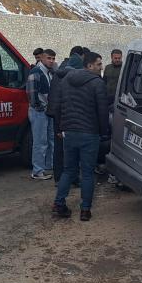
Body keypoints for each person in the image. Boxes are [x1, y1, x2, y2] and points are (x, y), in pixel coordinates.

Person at [52, 51, 109, 222]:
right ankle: (85, 210)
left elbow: (59, 105)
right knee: (88, 173)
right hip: (89, 133)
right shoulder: (97, 83)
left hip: (69, 132)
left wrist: (61, 127)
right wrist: (104, 132)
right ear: (89, 65)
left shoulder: (66, 80)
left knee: (68, 170)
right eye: (99, 64)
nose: (101, 67)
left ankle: (59, 203)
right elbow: (102, 111)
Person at [47, 51, 83, 184]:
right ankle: (67, 178)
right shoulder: (71, 78)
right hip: (67, 118)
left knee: (60, 149)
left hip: (59, 117)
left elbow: (54, 99)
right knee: (69, 149)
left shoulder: (59, 75)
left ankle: (60, 178)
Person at [26, 48, 55, 180]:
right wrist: (39, 107)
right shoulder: (36, 72)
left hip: (46, 111)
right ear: (42, 58)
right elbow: (31, 94)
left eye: (53, 59)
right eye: (49, 58)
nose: (51, 61)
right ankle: (37, 171)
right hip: (39, 112)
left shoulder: (49, 72)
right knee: (40, 141)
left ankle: (49, 166)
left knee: (50, 139)